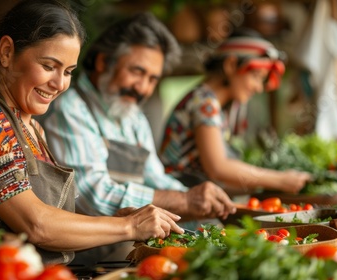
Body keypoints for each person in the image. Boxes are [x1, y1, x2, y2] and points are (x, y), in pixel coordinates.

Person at [0, 0, 184, 265]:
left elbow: (49, 217)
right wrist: (129, 226)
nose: (60, 84)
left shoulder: (33, 128)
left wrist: (116, 222)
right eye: (49, 66)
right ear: (6, 52)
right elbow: (37, 225)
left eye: (68, 71)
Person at [40, 12, 236, 223]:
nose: (142, 88)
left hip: (127, 242)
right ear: (103, 62)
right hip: (85, 252)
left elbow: (155, 177)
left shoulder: (133, 116)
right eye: (136, 71)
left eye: (152, 79)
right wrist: (185, 200)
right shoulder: (70, 109)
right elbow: (91, 196)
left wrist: (196, 196)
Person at [159, 31, 311, 194]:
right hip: (179, 201)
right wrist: (280, 180)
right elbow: (218, 167)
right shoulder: (204, 103)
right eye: (256, 76)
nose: (259, 87)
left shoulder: (218, 107)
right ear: (231, 65)